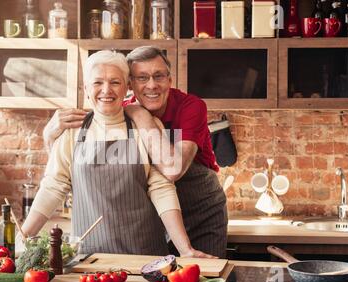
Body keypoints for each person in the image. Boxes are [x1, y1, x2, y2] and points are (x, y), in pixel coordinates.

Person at [44, 46, 228, 258]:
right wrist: (48, 135)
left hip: (202, 213)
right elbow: (66, 167)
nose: (152, 85)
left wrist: (141, 116)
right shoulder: (119, 111)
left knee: (206, 281)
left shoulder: (190, 107)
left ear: (170, 79)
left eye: (159, 76)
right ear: (130, 83)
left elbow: (171, 169)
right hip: (158, 219)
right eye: (142, 77)